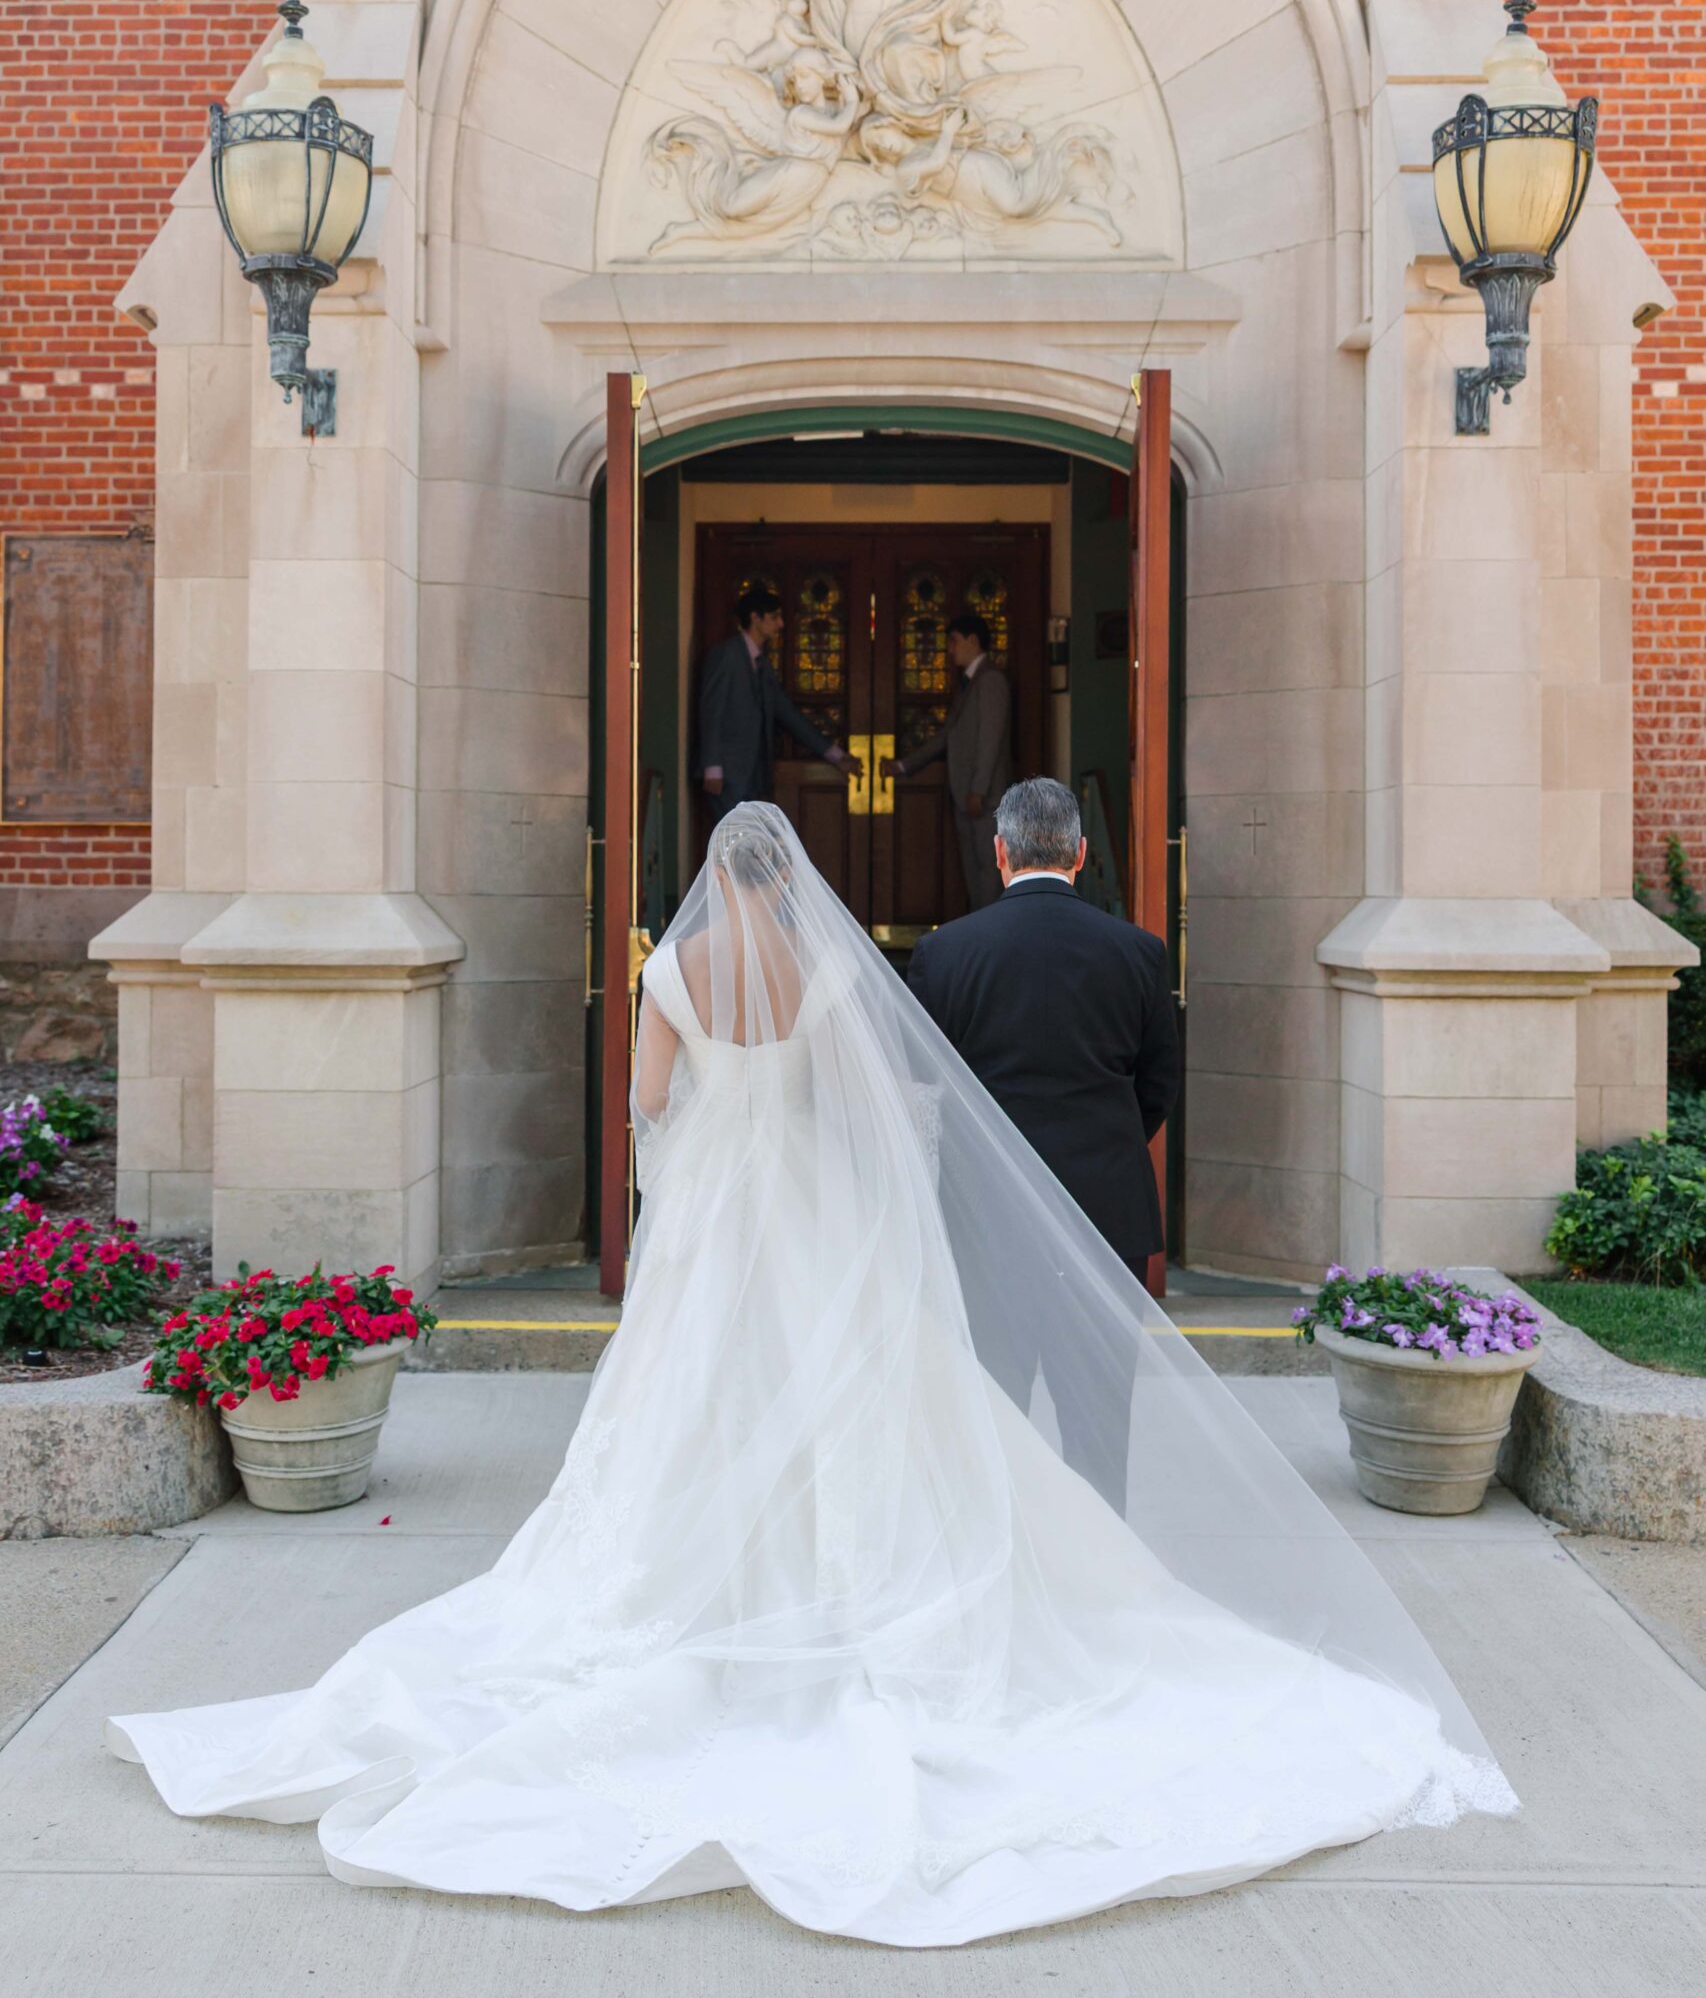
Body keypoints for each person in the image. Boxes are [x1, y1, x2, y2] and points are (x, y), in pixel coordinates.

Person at [108, 804, 1516, 1946]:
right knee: (854, 1394)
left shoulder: (670, 967)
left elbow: (652, 1102)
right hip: (812, 1221)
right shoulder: (836, 967)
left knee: (693, 1401)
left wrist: (683, 1135)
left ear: (715, 878)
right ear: (795, 883)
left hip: (715, 1224)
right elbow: (874, 1106)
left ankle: (704, 1587)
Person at [907, 776, 1180, 1502]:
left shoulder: (945, 953)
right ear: (1082, 853)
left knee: (994, 1417)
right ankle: (1100, 1580)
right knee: (1099, 1423)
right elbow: (1158, 1087)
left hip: (985, 1217)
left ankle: (1006, 1573)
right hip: (1105, 1214)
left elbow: (920, 1084)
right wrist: (1106, 1147)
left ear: (999, 852)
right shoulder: (1140, 953)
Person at [881, 613, 1012, 909]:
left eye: (954, 641)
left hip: (984, 799)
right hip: (966, 797)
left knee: (990, 875)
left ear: (973, 640)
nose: (950, 650)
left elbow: (990, 740)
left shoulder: (991, 680)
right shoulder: (968, 684)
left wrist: (978, 789)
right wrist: (903, 766)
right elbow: (946, 737)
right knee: (974, 876)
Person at [697, 581, 858, 816]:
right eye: (774, 617)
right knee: (734, 842)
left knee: (750, 843)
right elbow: (711, 711)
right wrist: (712, 766)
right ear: (755, 618)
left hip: (754, 774)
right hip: (728, 773)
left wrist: (834, 754)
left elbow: (788, 715)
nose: (780, 624)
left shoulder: (762, 665)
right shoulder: (726, 655)